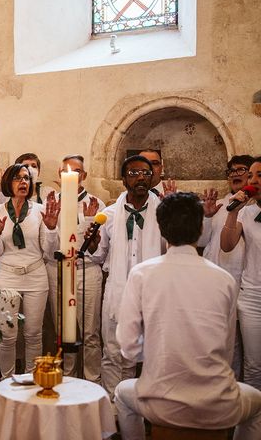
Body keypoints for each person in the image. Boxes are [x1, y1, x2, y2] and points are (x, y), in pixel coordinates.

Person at [115, 192, 261, 440]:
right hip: (216, 400)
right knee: (257, 404)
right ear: (200, 226)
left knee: (121, 394)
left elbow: (127, 347)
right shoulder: (223, 279)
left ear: (162, 229)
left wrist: (157, 352)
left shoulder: (142, 274)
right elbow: (226, 351)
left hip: (160, 400)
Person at [86, 155, 164, 400]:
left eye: (145, 173)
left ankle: (137, 405)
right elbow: (98, 257)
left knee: (146, 353)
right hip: (118, 290)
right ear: (123, 179)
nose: (140, 177)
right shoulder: (107, 215)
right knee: (112, 351)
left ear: (152, 177)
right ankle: (113, 406)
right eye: (133, 173)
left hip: (152, 291)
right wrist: (94, 244)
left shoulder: (164, 212)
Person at [0, 163, 58, 378]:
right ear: (9, 182)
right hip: (7, 276)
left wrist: (52, 228)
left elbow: (49, 250)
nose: (23, 182)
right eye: (18, 178)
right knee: (7, 335)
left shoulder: (40, 210)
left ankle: (31, 379)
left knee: (33, 334)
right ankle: (6, 380)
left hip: (36, 275)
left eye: (27, 178)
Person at [46, 155, 105, 383]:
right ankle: (67, 377)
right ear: (60, 177)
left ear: (84, 176)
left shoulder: (96, 204)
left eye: (77, 171)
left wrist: (89, 226)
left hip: (86, 269)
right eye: (67, 171)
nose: (73, 175)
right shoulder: (51, 202)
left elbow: (100, 250)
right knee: (63, 329)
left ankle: (93, 379)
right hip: (58, 269)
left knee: (90, 330)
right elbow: (47, 247)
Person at [198, 154, 255, 378]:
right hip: (217, 283)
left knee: (246, 346)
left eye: (241, 170)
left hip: (246, 284)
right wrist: (206, 216)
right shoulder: (222, 204)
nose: (234, 174)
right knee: (222, 342)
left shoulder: (254, 208)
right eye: (231, 171)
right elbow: (202, 243)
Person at [221, 156, 261, 392]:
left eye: (260, 175)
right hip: (253, 297)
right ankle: (255, 425)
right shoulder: (247, 213)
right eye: (251, 176)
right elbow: (226, 245)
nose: (253, 180)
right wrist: (233, 211)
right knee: (254, 365)